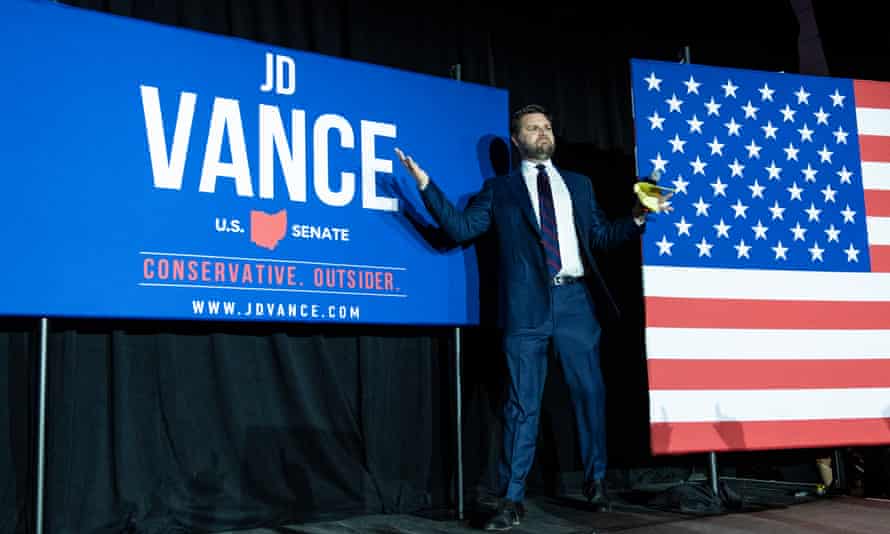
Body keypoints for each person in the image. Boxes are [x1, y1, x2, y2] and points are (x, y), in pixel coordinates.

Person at [396, 104, 666, 531]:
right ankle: (510, 500)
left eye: (547, 126)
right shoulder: (499, 190)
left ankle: (597, 483)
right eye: (533, 128)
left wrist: (636, 216)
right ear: (517, 140)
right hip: (526, 312)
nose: (543, 132)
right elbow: (461, 229)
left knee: (590, 397)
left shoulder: (578, 184)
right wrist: (425, 186)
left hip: (576, 305)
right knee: (522, 407)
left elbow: (600, 236)